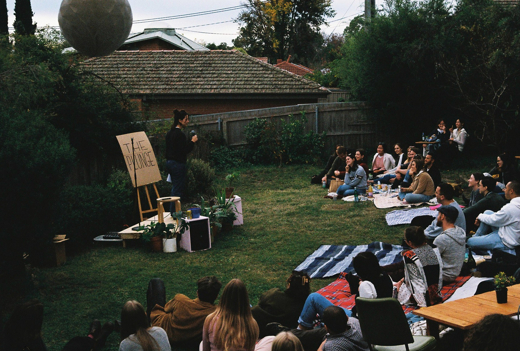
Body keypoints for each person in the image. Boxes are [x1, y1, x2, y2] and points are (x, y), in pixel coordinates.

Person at [297, 253, 392, 328]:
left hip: (356, 323)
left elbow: (365, 315)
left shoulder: (366, 287)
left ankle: (301, 329)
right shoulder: (385, 278)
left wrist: (360, 288)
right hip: (381, 321)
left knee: (314, 298)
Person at [149, 276, 222, 346]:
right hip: (185, 339)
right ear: (216, 296)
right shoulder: (216, 314)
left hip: (163, 330)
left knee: (156, 282)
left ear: (197, 293)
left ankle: (146, 319)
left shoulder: (180, 300)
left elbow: (166, 308)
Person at [202, 279, 259, 351]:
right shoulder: (252, 324)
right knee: (268, 339)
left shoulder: (210, 319)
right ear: (245, 299)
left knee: (201, 343)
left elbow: (205, 348)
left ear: (224, 297)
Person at [252, 271, 311, 338]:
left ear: (289, 285)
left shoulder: (274, 294)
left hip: (255, 325)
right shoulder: (304, 308)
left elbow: (262, 299)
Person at [467, 181, 520, 254]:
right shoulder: (516, 205)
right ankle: (478, 237)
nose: (503, 190)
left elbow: (493, 220)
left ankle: (479, 241)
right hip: (507, 232)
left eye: (506, 188)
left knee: (470, 241)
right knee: (487, 212)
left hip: (505, 242)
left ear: (511, 191)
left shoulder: (511, 208)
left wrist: (479, 216)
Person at [396, 226, 442, 307]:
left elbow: (415, 283)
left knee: (396, 290)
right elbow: (439, 273)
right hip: (436, 291)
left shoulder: (410, 255)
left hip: (425, 296)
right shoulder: (434, 248)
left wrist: (423, 305)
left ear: (409, 242)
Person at [165, 109, 198, 208]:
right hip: (178, 164)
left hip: (169, 162)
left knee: (175, 187)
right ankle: (175, 213)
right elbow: (184, 150)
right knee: (178, 189)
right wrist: (192, 141)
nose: (187, 121)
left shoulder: (169, 133)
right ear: (180, 120)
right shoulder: (180, 134)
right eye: (186, 119)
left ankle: (173, 211)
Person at [433, 206, 466, 283]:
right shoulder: (460, 232)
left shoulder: (442, 239)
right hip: (455, 273)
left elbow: (430, 261)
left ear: (443, 216)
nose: (437, 217)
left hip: (443, 276)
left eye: (438, 214)